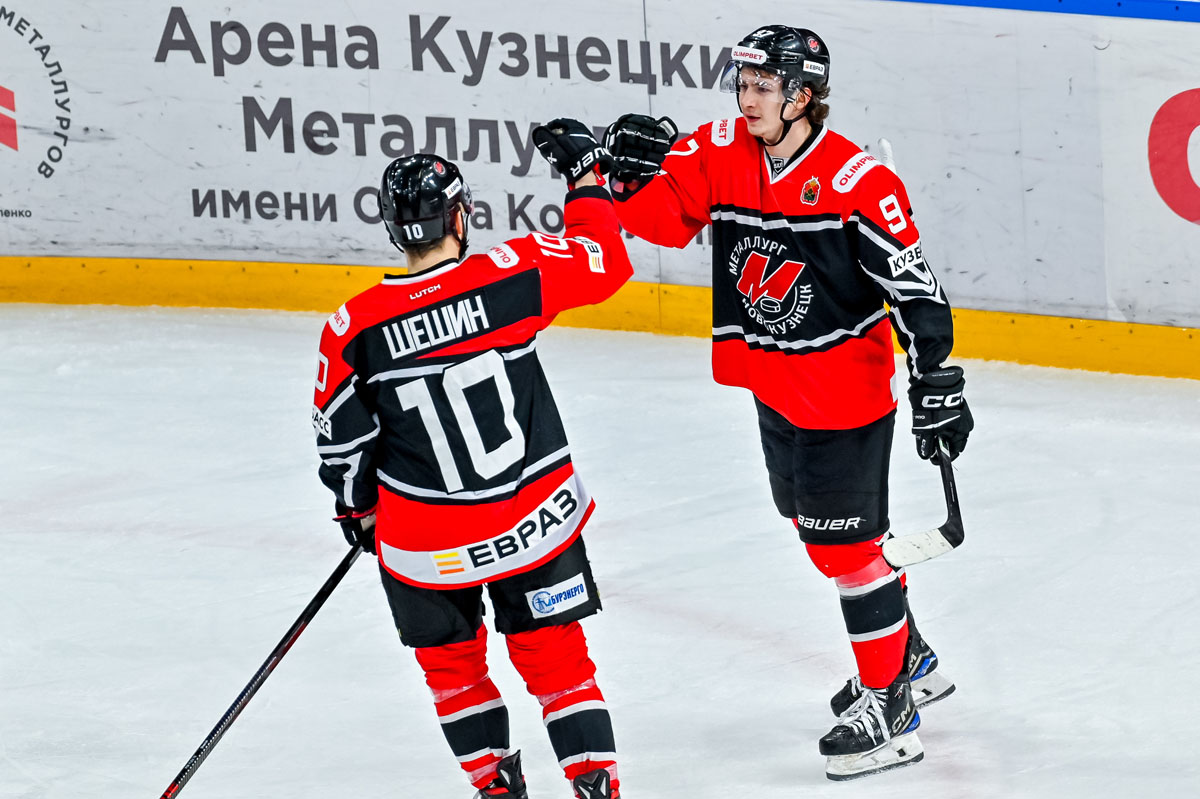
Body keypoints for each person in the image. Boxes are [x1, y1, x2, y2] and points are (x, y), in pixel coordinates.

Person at [603, 25, 974, 781]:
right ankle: (907, 655)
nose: (747, 100)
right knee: (819, 533)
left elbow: (914, 289)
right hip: (774, 387)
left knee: (845, 550)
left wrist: (935, 377)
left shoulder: (858, 182)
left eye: (763, 87)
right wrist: (608, 177)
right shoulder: (721, 152)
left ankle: (891, 706)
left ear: (802, 96)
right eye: (742, 85)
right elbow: (664, 222)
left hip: (843, 396)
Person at [311, 120, 630, 799]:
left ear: (395, 228)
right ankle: (595, 785)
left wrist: (359, 512)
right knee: (558, 663)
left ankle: (496, 786)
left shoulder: (354, 328)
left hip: (427, 546)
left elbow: (342, 446)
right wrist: (585, 179)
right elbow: (605, 260)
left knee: (453, 672)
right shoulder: (512, 274)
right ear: (460, 216)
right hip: (534, 525)